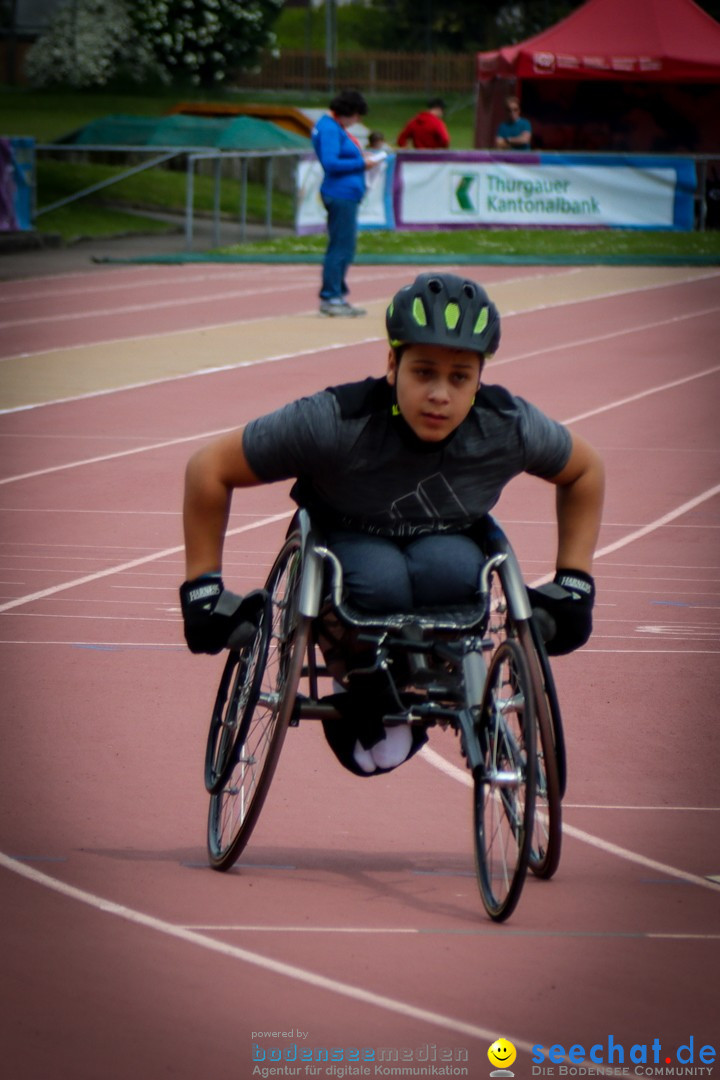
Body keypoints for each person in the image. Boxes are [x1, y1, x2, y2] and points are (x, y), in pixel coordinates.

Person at [180, 272, 605, 776]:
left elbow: (584, 470)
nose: (440, 395)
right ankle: (357, 675)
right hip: (347, 543)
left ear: (479, 379)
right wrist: (202, 589)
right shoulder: (334, 422)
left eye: (459, 377)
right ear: (391, 363)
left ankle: (419, 682)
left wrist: (575, 581)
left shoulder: (506, 426)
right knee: (379, 579)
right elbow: (209, 468)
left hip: (446, 547)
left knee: (449, 571)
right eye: (423, 372)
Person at [311, 88, 378, 318]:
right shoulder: (330, 128)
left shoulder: (332, 126)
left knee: (344, 246)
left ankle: (336, 293)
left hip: (345, 193)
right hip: (340, 193)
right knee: (341, 246)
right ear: (347, 112)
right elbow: (330, 163)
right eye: (357, 115)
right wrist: (361, 164)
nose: (358, 120)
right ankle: (331, 296)